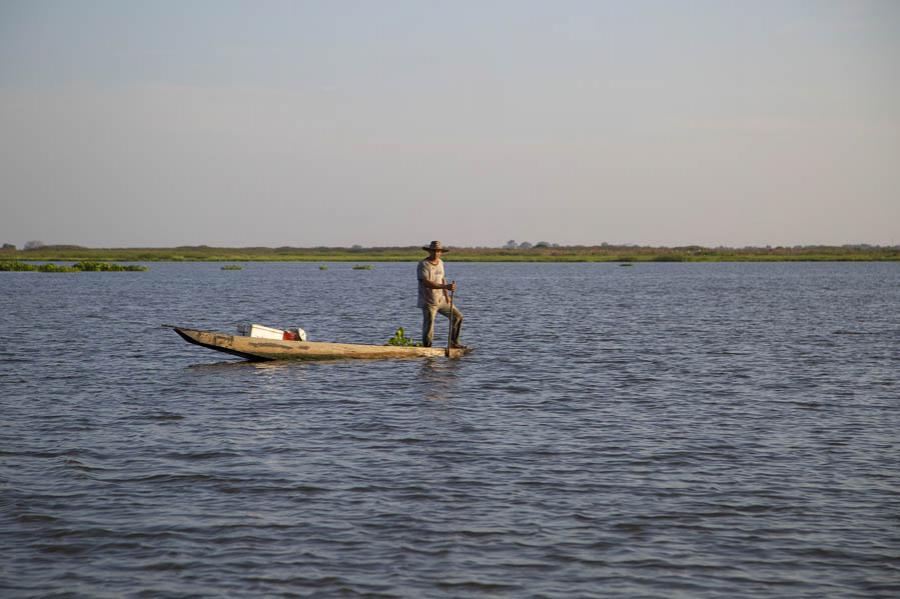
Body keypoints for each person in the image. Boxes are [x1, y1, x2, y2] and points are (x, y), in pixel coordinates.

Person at [417, 240, 464, 348]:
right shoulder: (423, 264)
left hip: (441, 299)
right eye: (434, 251)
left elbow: (442, 279)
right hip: (428, 300)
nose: (436, 253)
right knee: (429, 325)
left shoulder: (441, 263)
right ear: (429, 251)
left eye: (438, 251)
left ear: (441, 252)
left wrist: (447, 296)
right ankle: (427, 348)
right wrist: (445, 287)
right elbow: (426, 283)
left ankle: (453, 343)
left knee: (457, 317)